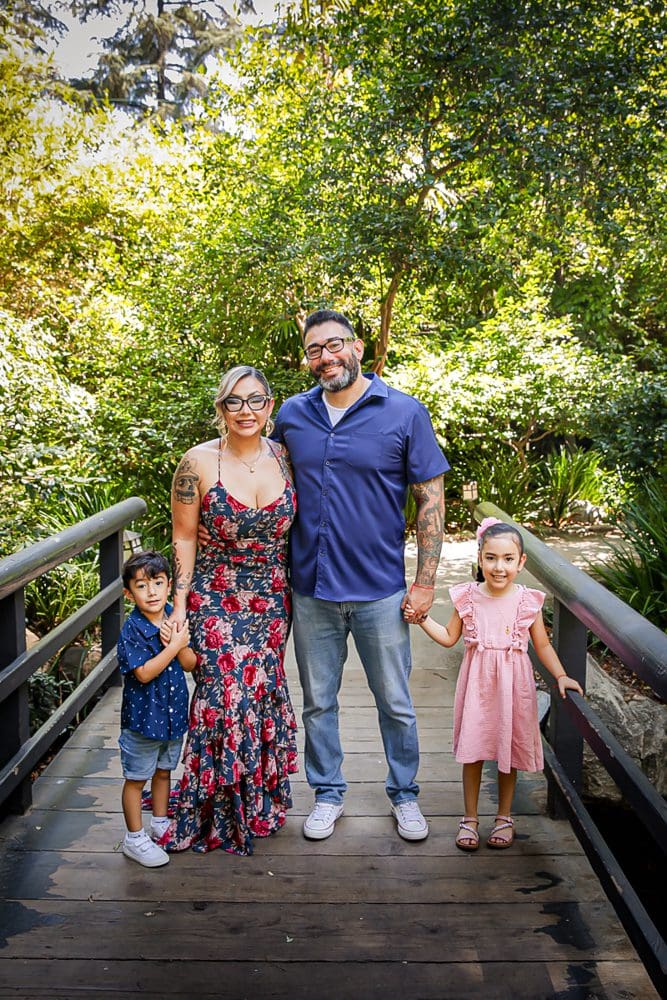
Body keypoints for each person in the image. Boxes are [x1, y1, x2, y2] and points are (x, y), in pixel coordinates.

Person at [273, 308, 449, 842]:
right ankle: (327, 793)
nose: (325, 357)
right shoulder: (291, 415)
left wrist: (425, 581)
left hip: (380, 590)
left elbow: (430, 500)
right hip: (311, 589)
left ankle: (405, 794)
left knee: (394, 700)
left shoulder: (404, 412)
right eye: (313, 350)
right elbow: (258, 472)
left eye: (334, 345)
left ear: (357, 345)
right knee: (317, 703)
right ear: (306, 360)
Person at [163, 365, 298, 856]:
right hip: (215, 596)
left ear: (269, 405)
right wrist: (178, 605)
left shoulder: (284, 457)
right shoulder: (197, 463)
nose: (246, 411)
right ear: (221, 408)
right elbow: (182, 535)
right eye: (235, 402)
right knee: (222, 699)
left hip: (271, 601)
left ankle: (256, 804)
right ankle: (211, 810)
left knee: (258, 695)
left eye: (256, 400)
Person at [404, 516, 584, 850]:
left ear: (521, 562)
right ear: (479, 559)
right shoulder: (467, 597)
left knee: (507, 750)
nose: (498, 567)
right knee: (473, 752)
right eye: (491, 558)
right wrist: (422, 619)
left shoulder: (527, 601)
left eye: (507, 559)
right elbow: (448, 638)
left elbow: (542, 645)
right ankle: (469, 818)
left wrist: (561, 675)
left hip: (514, 686)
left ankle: (504, 816)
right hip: (477, 686)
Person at [117, 550, 196, 868]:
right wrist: (173, 647)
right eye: (141, 585)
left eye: (158, 583)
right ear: (128, 592)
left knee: (164, 772)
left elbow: (191, 664)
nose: (151, 592)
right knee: (137, 778)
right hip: (142, 720)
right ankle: (134, 838)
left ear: (169, 586)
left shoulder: (174, 618)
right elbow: (144, 673)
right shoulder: (132, 629)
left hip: (172, 717)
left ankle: (160, 824)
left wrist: (182, 643)